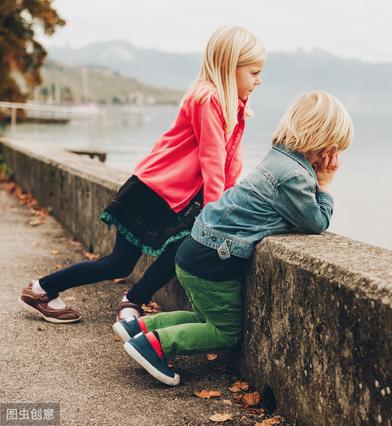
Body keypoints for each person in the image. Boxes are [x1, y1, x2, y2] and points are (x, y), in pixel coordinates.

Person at [19, 26, 266, 323]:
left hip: (176, 197)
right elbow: (212, 161)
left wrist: (226, 204)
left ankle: (132, 301)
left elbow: (231, 162)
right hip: (152, 191)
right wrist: (216, 214)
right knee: (118, 265)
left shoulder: (234, 106)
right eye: (253, 72)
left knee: (178, 249)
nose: (258, 80)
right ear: (229, 67)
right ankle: (42, 288)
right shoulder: (207, 99)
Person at [112, 91, 354, 386]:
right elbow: (316, 223)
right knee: (225, 332)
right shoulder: (295, 177)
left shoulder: (278, 157)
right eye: (333, 149)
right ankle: (153, 346)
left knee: (204, 319)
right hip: (214, 259)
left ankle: (139, 328)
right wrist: (325, 184)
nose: (332, 158)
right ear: (321, 144)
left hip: (197, 248)